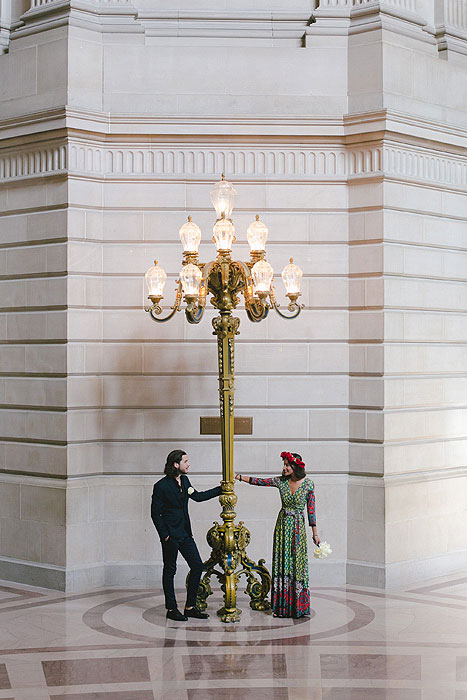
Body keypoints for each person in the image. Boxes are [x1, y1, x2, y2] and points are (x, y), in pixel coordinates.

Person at [235, 451, 319, 618]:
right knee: (282, 561)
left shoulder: (308, 484)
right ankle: (282, 606)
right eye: (284, 465)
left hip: (297, 529)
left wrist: (315, 533)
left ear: (296, 467)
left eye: (288, 465)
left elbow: (311, 509)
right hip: (282, 527)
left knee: (297, 563)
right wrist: (238, 476)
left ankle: (298, 606)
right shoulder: (280, 482)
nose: (284, 468)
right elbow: (260, 482)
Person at [151, 449, 221, 622]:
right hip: (171, 536)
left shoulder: (185, 480)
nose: (188, 464)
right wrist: (164, 535)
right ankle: (171, 608)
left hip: (184, 532)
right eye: (185, 461)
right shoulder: (161, 486)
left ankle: (190, 607)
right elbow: (155, 513)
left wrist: (221, 489)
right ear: (176, 464)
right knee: (170, 570)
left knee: (197, 566)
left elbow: (196, 496)